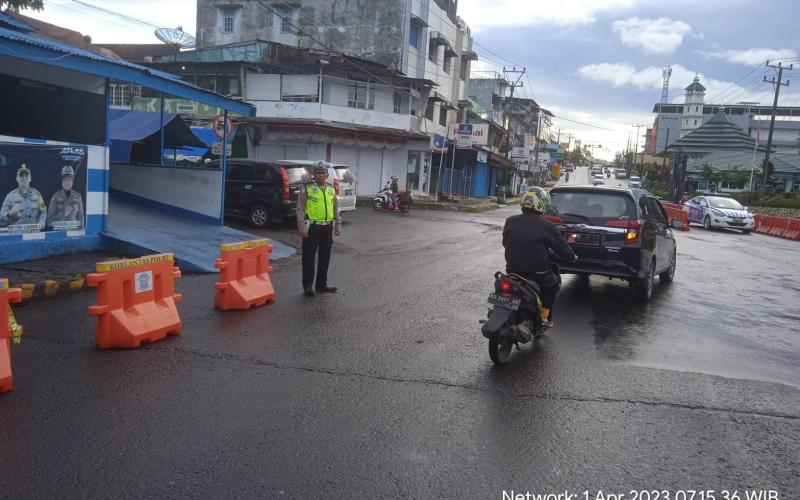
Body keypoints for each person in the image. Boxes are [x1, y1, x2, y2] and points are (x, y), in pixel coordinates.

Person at [502, 188, 577, 328]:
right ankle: (543, 318)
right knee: (553, 285)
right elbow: (562, 248)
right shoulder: (548, 225)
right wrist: (572, 256)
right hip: (537, 274)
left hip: (512, 271)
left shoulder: (510, 221)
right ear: (541, 204)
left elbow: (505, 243)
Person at [296, 163, 342, 297]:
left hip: (327, 227)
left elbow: (335, 208)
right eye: (318, 173)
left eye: (323, 174)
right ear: (314, 175)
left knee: (325, 257)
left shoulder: (331, 189)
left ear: (327, 175)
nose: (321, 176)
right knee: (309, 257)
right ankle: (308, 286)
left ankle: (321, 285)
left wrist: (338, 225)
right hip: (312, 227)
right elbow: (300, 208)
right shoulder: (307, 188)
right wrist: (301, 226)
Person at [0, 164, 46, 229]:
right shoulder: (10, 196)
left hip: (34, 233)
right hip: (17, 235)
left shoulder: (37, 194)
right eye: (21, 176)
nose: (24, 178)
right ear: (17, 179)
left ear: (30, 178)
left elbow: (43, 211)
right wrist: (9, 213)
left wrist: (41, 222)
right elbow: (1, 220)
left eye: (26, 176)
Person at [47, 165, 84, 230]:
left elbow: (81, 220)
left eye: (69, 179)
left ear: (72, 181)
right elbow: (49, 221)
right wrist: (63, 214)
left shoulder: (78, 196)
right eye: (65, 180)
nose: (67, 183)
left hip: (73, 234)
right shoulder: (55, 197)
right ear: (61, 181)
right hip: (59, 235)